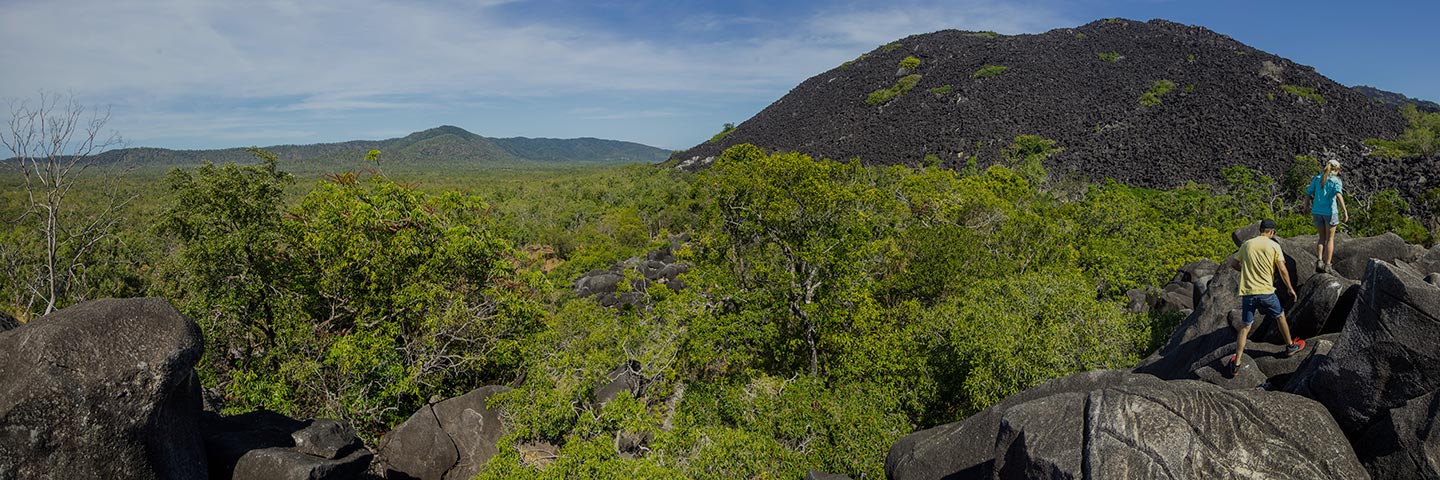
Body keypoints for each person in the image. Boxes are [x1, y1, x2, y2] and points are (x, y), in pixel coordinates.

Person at [1229, 218, 1304, 377]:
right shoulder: (1274, 245)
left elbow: (1234, 264)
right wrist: (1290, 288)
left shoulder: (1247, 244)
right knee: (1280, 316)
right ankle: (1290, 346)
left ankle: (1237, 363)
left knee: (1245, 326)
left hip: (1248, 292)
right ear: (1271, 231)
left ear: (1260, 230)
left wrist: (1246, 270)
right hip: (1266, 291)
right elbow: (1282, 270)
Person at [1306, 159, 1350, 273]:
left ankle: (1319, 260)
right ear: (1336, 169)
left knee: (1321, 238)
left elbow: (1308, 192)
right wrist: (1345, 211)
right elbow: (1339, 195)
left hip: (1317, 211)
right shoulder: (1335, 180)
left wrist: (1306, 207)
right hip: (1330, 212)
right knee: (1330, 239)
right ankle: (1328, 265)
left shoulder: (1317, 178)